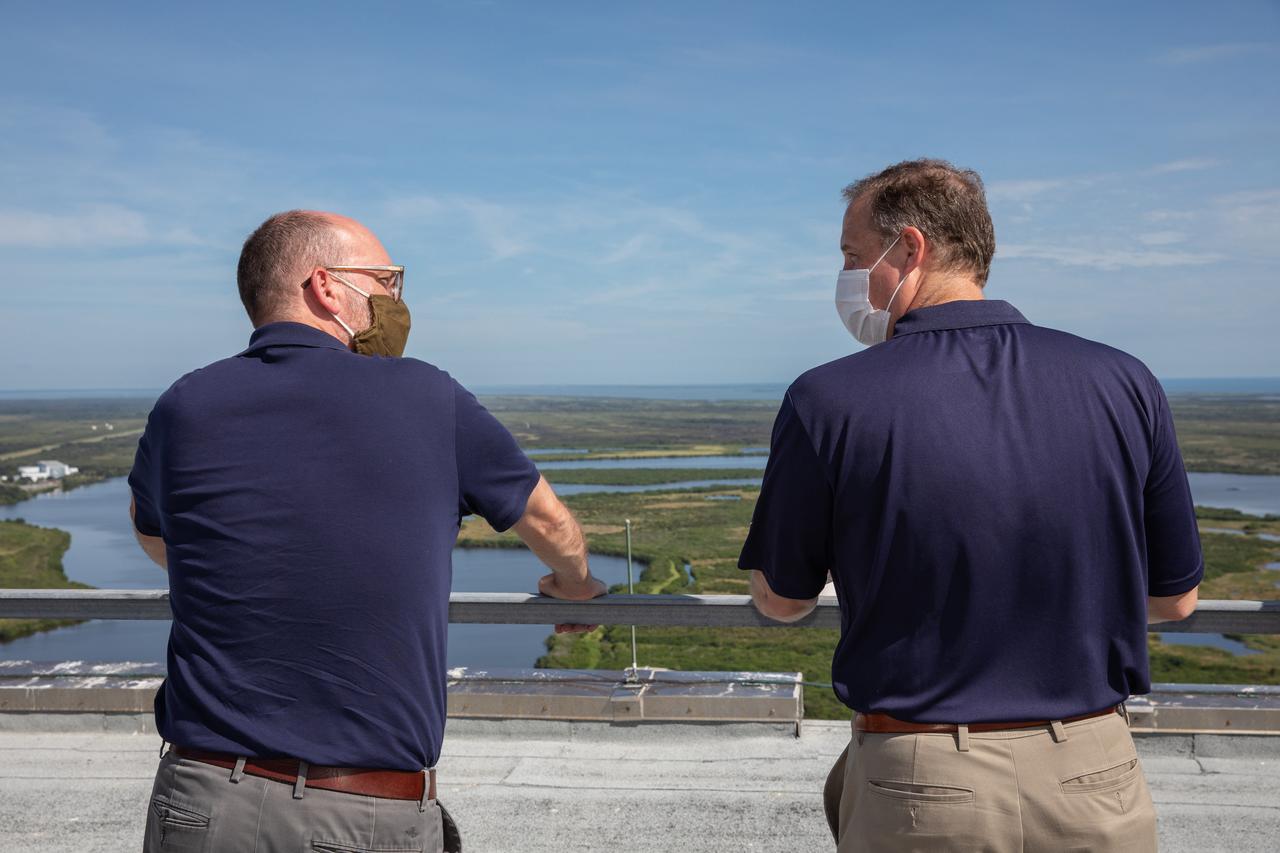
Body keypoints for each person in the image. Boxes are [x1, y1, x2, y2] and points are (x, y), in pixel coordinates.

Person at [739, 159, 1202, 852]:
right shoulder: (1125, 381)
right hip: (1095, 771)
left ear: (911, 249)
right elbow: (1175, 601)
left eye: (852, 255)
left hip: (922, 781)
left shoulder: (826, 400)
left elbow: (781, 599)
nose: (847, 275)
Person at [129, 210, 607, 853]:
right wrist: (574, 587)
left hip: (201, 797)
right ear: (326, 286)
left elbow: (155, 533)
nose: (395, 301)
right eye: (387, 281)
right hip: (359, 809)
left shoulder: (184, 403)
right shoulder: (426, 396)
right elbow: (547, 519)